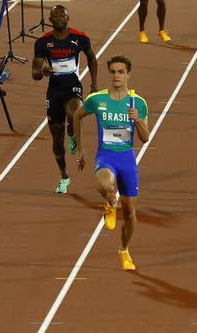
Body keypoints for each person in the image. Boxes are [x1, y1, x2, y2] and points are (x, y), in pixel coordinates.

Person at [73, 55, 149, 271]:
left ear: (128, 74)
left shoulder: (138, 103)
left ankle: (124, 250)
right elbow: (77, 116)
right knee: (105, 184)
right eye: (113, 71)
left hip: (127, 158)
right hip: (106, 156)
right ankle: (109, 203)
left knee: (130, 213)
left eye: (121, 72)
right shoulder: (97, 100)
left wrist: (137, 120)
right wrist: (80, 147)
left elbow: (145, 138)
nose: (116, 75)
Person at [32, 5, 98, 193]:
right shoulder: (43, 43)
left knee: (75, 112)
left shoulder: (80, 38)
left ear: (68, 19)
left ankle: (73, 136)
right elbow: (35, 73)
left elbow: (92, 59)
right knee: (56, 138)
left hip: (72, 85)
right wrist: (43, 70)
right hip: (54, 90)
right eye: (56, 15)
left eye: (63, 15)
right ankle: (64, 176)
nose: (60, 18)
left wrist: (94, 85)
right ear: (50, 19)